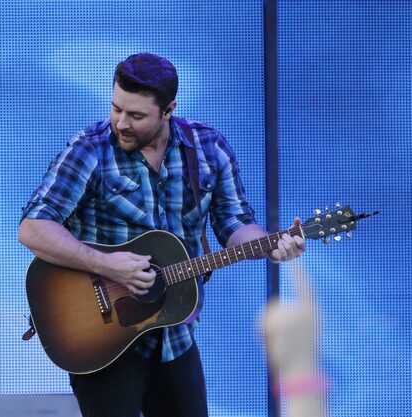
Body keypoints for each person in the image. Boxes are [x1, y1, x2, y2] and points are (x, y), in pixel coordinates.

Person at [18, 52, 305, 417]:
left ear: (168, 110)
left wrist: (271, 245)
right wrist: (108, 265)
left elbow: (234, 224)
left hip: (175, 334)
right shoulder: (90, 150)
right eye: (116, 107)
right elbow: (33, 227)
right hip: (100, 336)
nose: (120, 122)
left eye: (136, 115)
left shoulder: (208, 149)